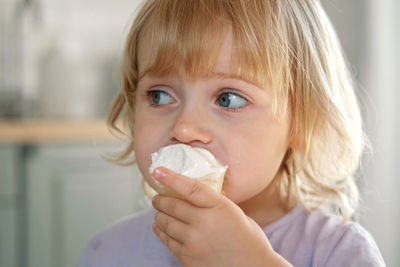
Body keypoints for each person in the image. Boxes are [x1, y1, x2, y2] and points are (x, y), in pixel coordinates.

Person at [78, 0, 386, 266]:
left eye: (228, 99)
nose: (184, 128)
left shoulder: (339, 252)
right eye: (159, 95)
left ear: (302, 121)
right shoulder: (108, 252)